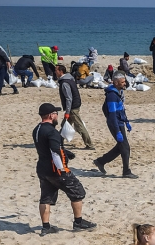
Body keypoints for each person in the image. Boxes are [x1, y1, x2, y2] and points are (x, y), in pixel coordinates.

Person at [32, 102, 96, 235]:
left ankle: (46, 226)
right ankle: (78, 222)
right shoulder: (52, 132)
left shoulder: (37, 129)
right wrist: (62, 169)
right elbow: (55, 152)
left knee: (46, 197)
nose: (57, 116)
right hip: (55, 169)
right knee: (77, 192)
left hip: (42, 168)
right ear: (51, 115)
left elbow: (48, 148)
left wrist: (65, 152)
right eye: (55, 113)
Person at [94, 72, 136, 178]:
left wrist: (126, 121)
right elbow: (112, 115)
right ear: (116, 83)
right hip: (115, 123)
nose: (125, 83)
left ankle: (101, 161)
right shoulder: (112, 96)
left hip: (120, 122)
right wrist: (117, 131)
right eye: (122, 82)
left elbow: (121, 109)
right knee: (125, 147)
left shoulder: (119, 92)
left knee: (121, 147)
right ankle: (126, 171)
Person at [56, 64, 94, 150]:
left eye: (56, 70)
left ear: (61, 71)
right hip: (76, 105)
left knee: (79, 126)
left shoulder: (65, 83)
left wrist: (67, 112)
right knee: (65, 124)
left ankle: (90, 145)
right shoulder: (70, 78)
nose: (55, 72)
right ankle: (58, 141)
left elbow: (69, 98)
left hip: (73, 108)